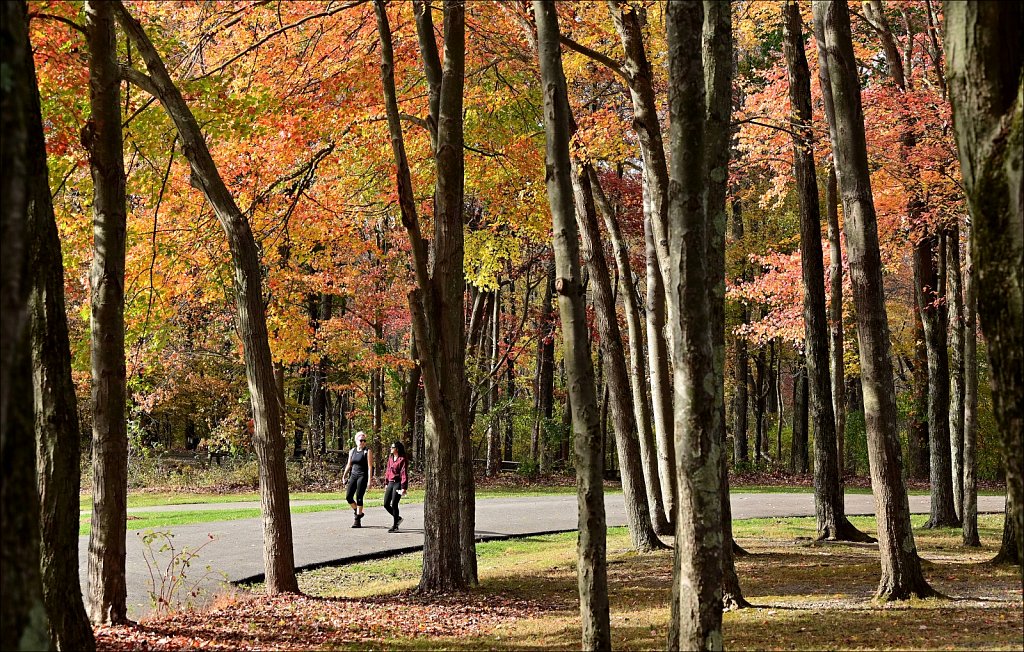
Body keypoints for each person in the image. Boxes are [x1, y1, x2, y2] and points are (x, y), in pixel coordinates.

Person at [342, 431, 373, 528]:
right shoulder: (352, 451)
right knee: (349, 497)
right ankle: (358, 511)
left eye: (364, 440)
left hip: (362, 476)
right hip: (353, 475)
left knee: (359, 496)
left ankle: (357, 520)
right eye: (361, 440)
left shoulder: (367, 451)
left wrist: (369, 480)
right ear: (356, 441)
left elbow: (370, 467)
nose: (363, 442)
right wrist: (344, 476)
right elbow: (349, 464)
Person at [383, 441, 409, 533]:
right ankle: (397, 518)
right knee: (386, 504)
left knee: (394, 504)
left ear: (397, 449)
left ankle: (395, 526)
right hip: (390, 482)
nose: (391, 448)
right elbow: (388, 470)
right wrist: (386, 482)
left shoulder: (402, 459)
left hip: (398, 483)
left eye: (392, 447)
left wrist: (403, 487)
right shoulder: (390, 458)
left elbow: (403, 473)